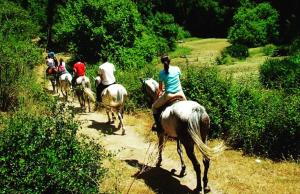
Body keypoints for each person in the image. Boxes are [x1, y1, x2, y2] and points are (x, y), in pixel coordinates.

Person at [152, 55, 186, 131]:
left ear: (162, 62)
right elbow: (178, 79)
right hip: (180, 93)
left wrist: (161, 91)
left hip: (169, 95)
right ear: (170, 61)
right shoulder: (177, 68)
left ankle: (158, 126)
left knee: (154, 107)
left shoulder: (161, 73)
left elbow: (160, 89)